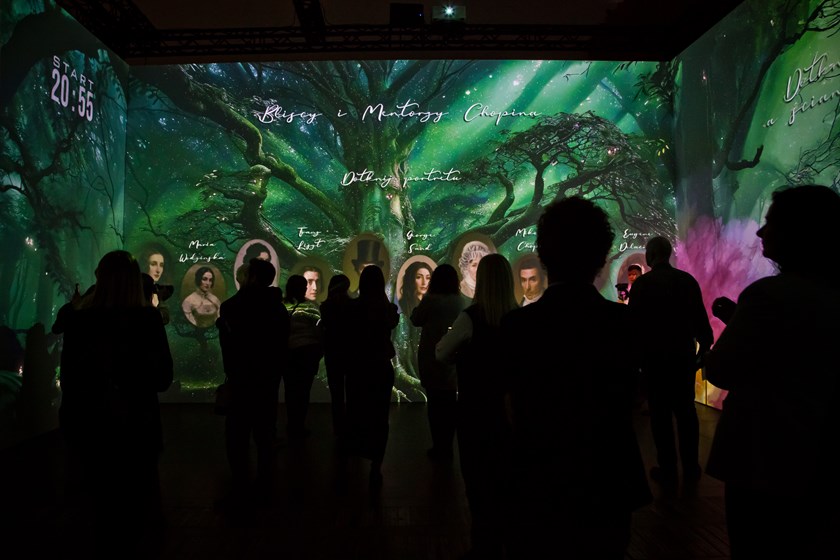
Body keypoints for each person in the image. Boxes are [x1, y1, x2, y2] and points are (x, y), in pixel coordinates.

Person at [503, 196, 651, 560]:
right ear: (601, 258)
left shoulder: (517, 326)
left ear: (543, 255)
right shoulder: (623, 323)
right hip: (608, 482)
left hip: (540, 481)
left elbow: (510, 407)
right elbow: (635, 398)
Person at [704, 185, 840, 559]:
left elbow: (721, 369)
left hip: (764, 458)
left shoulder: (767, 295)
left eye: (772, 223)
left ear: (798, 232)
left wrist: (734, 327)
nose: (762, 231)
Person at [57, 250, 173, 554]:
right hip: (137, 426)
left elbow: (70, 380)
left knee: (95, 509)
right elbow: (162, 378)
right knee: (135, 510)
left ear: (101, 278)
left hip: (90, 427)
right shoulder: (148, 320)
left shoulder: (80, 321)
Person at [436, 253, 518, 558]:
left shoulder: (469, 318)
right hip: (511, 412)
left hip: (475, 410)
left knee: (477, 478)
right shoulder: (519, 319)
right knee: (507, 477)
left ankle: (484, 545)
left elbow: (442, 353)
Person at [628, 236, 713, 485]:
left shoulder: (643, 284)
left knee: (660, 417)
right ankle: (691, 468)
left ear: (651, 255)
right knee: (686, 414)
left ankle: (668, 470)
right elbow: (701, 322)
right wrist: (702, 351)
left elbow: (633, 327)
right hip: (682, 359)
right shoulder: (687, 281)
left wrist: (635, 363)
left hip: (654, 362)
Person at [217, 258, 289, 509]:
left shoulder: (232, 307)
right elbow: (281, 346)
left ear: (253, 277)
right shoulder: (278, 309)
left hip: (240, 381)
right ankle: (265, 490)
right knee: (265, 436)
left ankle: (240, 490)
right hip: (267, 381)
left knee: (237, 437)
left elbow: (230, 347)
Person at [344, 265, 399, 487]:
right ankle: (376, 466)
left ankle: (354, 459)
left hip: (357, 368)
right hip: (380, 367)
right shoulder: (388, 310)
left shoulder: (352, 308)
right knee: (380, 417)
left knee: (356, 412)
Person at [410, 263, 464, 461]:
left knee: (435, 404)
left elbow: (416, 319)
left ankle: (438, 446)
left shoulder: (431, 300)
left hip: (431, 359)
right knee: (450, 403)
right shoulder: (459, 301)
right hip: (453, 357)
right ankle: (448, 446)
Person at [283, 274, 323, 439]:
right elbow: (319, 331)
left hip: (287, 355)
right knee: (303, 391)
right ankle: (298, 425)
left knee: (290, 391)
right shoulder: (311, 307)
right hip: (307, 354)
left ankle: (292, 424)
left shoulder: (281, 306)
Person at [319, 274, 353, 438]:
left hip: (332, 352)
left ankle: (339, 427)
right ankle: (351, 425)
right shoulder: (352, 305)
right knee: (351, 390)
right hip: (350, 352)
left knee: (336, 392)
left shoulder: (326, 306)